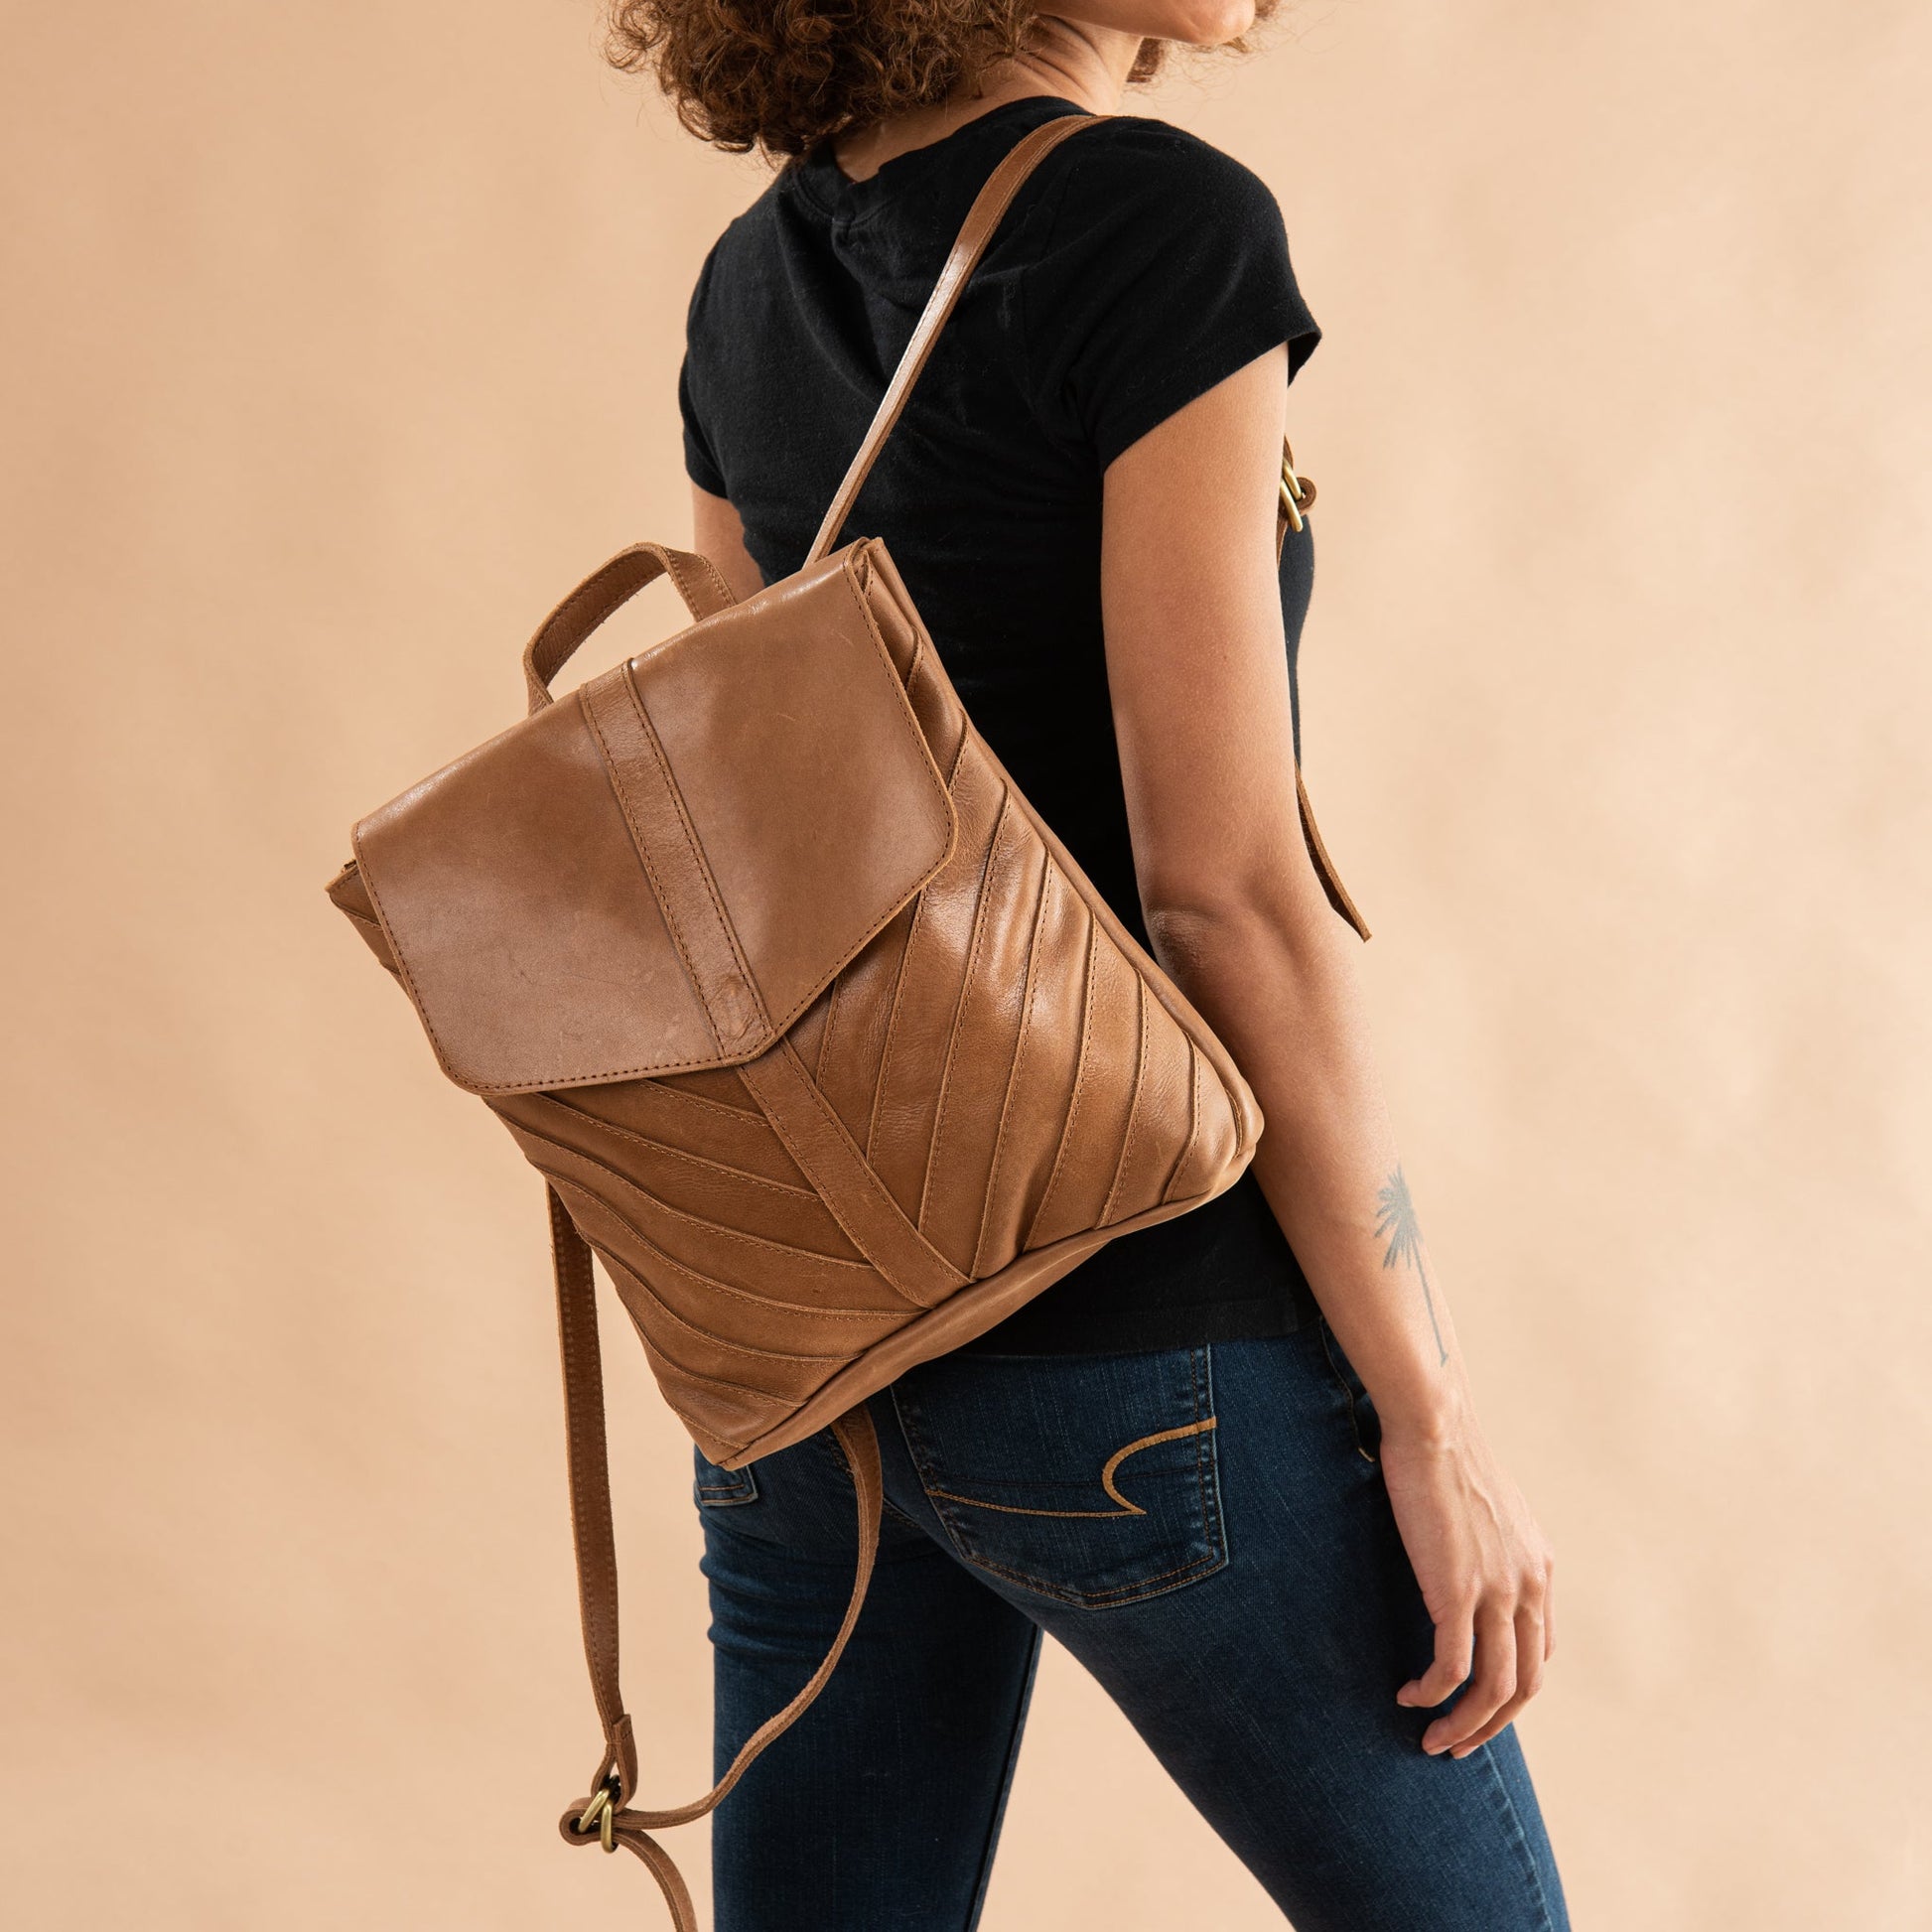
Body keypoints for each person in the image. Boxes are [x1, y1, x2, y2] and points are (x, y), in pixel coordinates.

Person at [612, 4, 1567, 1926]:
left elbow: (753, 838)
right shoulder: (1157, 224)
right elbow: (1221, 890)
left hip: (818, 1356)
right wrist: (1426, 1413)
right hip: (1137, 1335)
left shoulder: (746, 280)